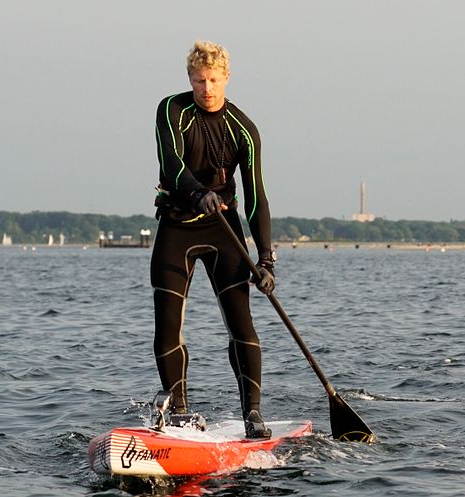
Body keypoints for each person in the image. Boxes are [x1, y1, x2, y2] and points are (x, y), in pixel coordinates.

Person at [151, 40, 276, 439]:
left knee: (242, 324)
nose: (207, 88)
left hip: (224, 230)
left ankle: (253, 414)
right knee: (168, 325)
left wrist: (267, 258)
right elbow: (171, 164)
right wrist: (195, 191)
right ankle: (179, 412)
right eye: (199, 80)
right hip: (177, 226)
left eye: (214, 80)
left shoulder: (244, 130)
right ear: (190, 79)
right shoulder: (172, 110)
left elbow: (256, 197)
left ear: (227, 78)